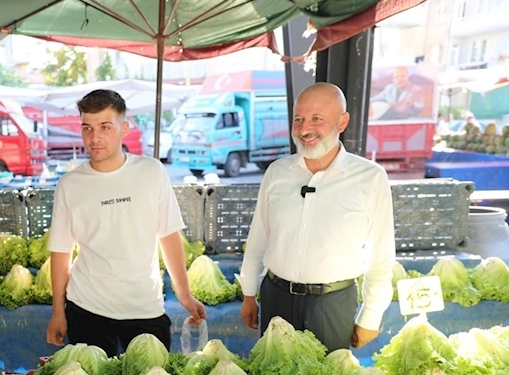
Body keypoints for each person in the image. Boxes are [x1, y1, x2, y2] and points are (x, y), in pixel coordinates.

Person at [45, 89, 206, 357]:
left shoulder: (152, 171)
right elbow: (61, 253)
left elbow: (168, 236)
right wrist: (58, 312)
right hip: (87, 307)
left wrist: (184, 295)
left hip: (145, 306)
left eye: (105, 127)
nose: (95, 137)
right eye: (87, 128)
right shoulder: (69, 185)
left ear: (124, 129)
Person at [240, 83, 395, 351]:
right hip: (276, 299)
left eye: (316, 119)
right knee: (271, 373)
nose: (304, 129)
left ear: (342, 122)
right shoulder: (277, 172)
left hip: (332, 304)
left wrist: (371, 315)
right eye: (298, 119)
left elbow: (381, 253)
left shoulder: (370, 177)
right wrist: (249, 293)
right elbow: (258, 237)